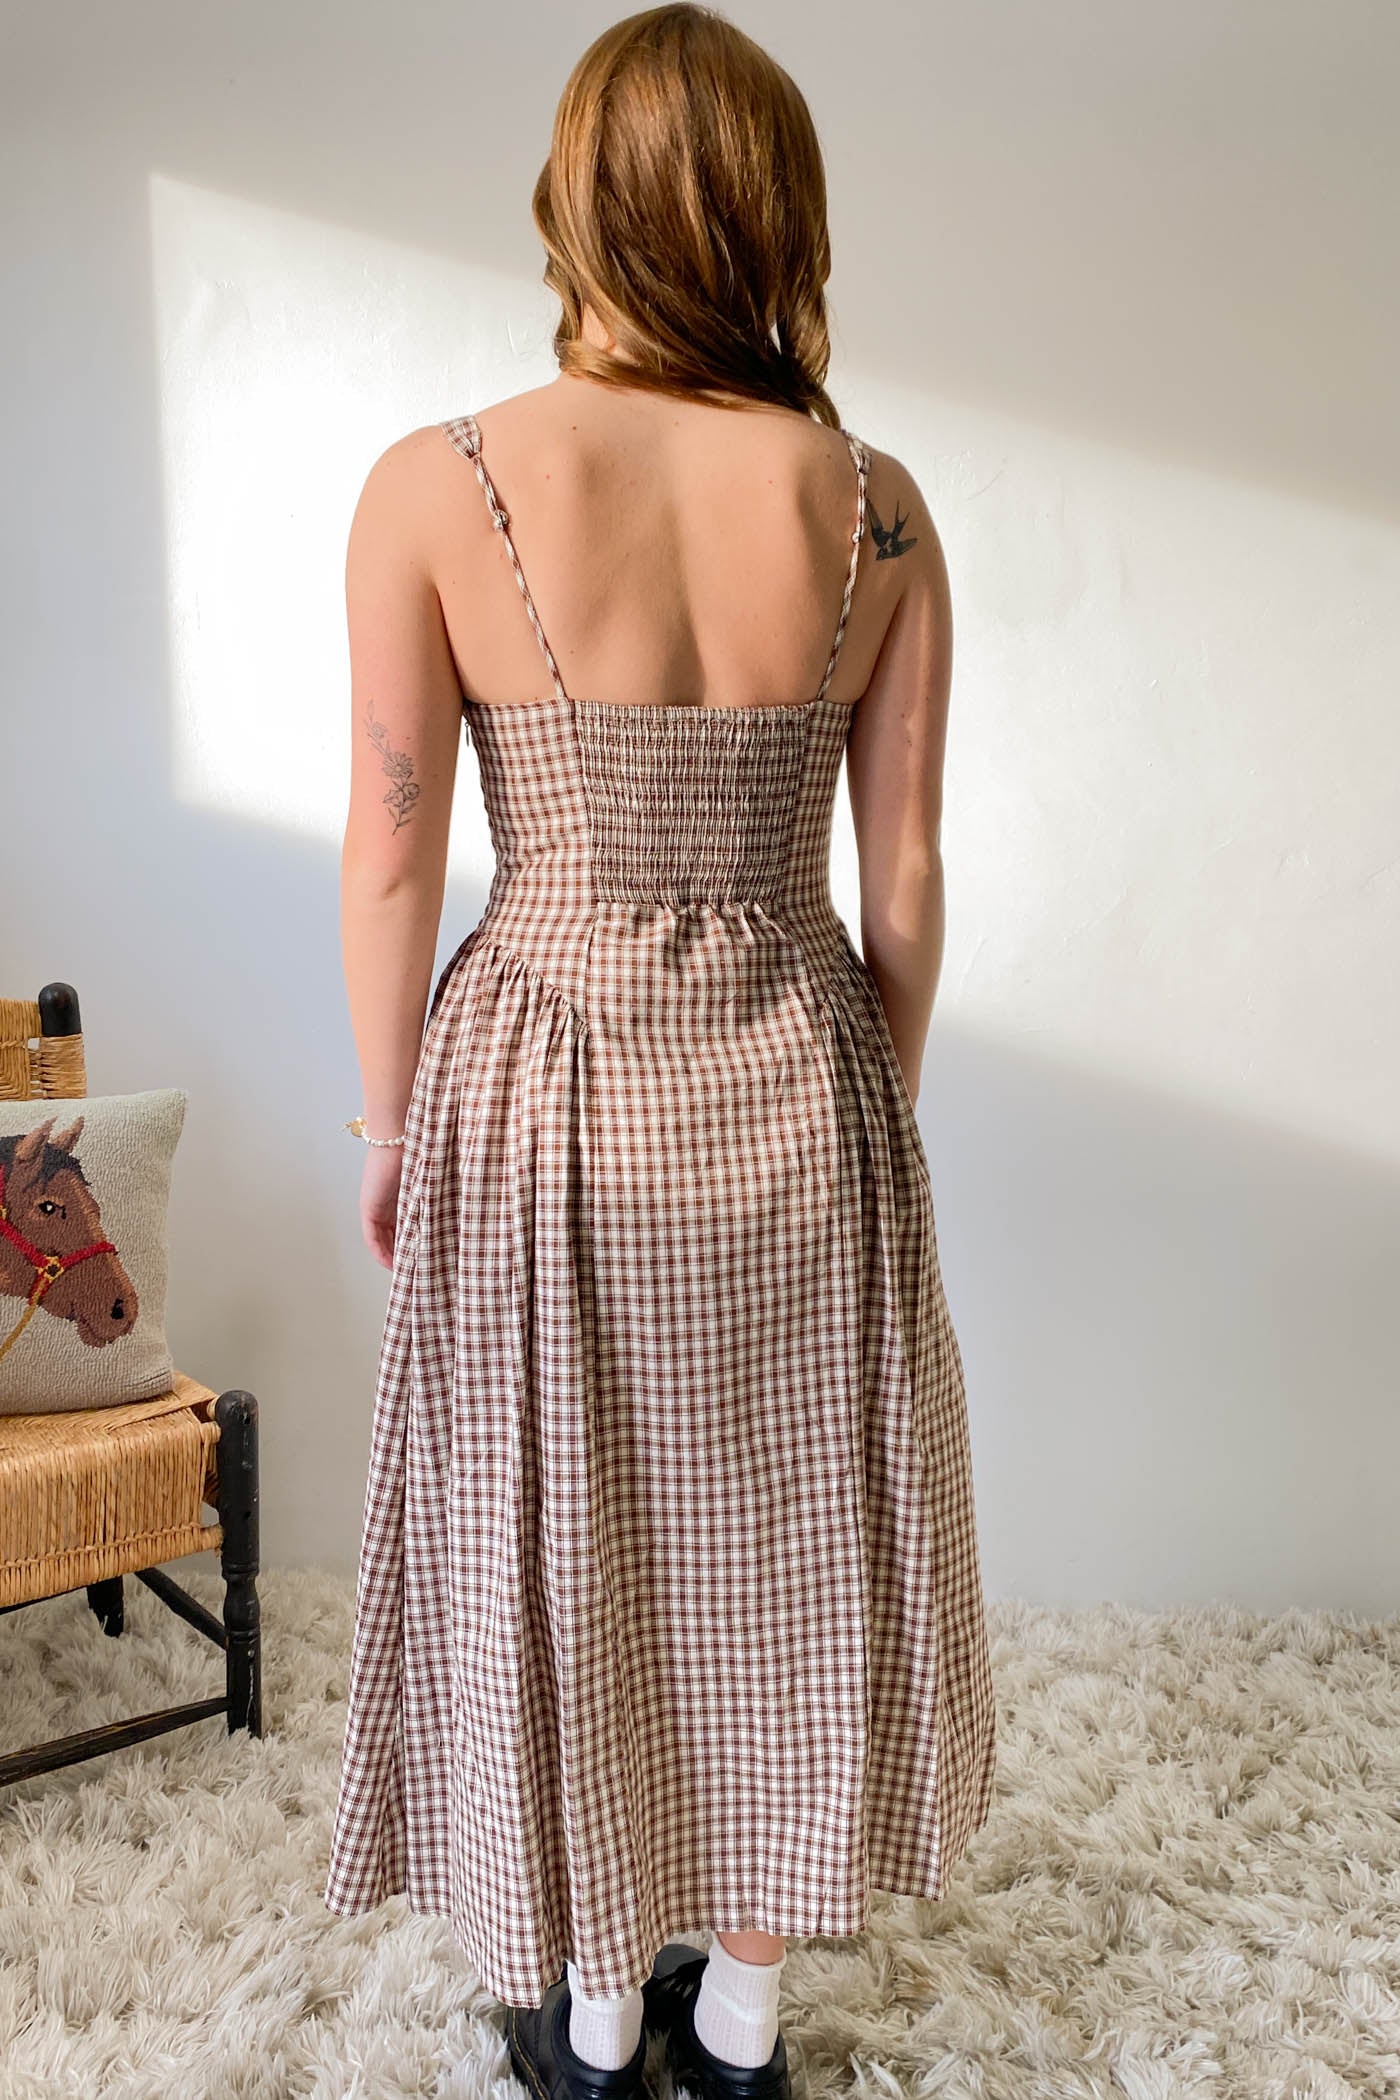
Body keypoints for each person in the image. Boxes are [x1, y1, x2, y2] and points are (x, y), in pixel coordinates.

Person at [323, 7, 996, 2098]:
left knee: (568, 1537)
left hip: (538, 1088)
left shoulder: (433, 488)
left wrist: (387, 1121)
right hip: (799, 1073)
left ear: (576, 201)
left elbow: (394, 846)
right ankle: (745, 2018)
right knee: (789, 1535)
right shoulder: (879, 512)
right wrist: (864, 1105)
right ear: (779, 217)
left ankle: (595, 2020)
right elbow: (902, 887)